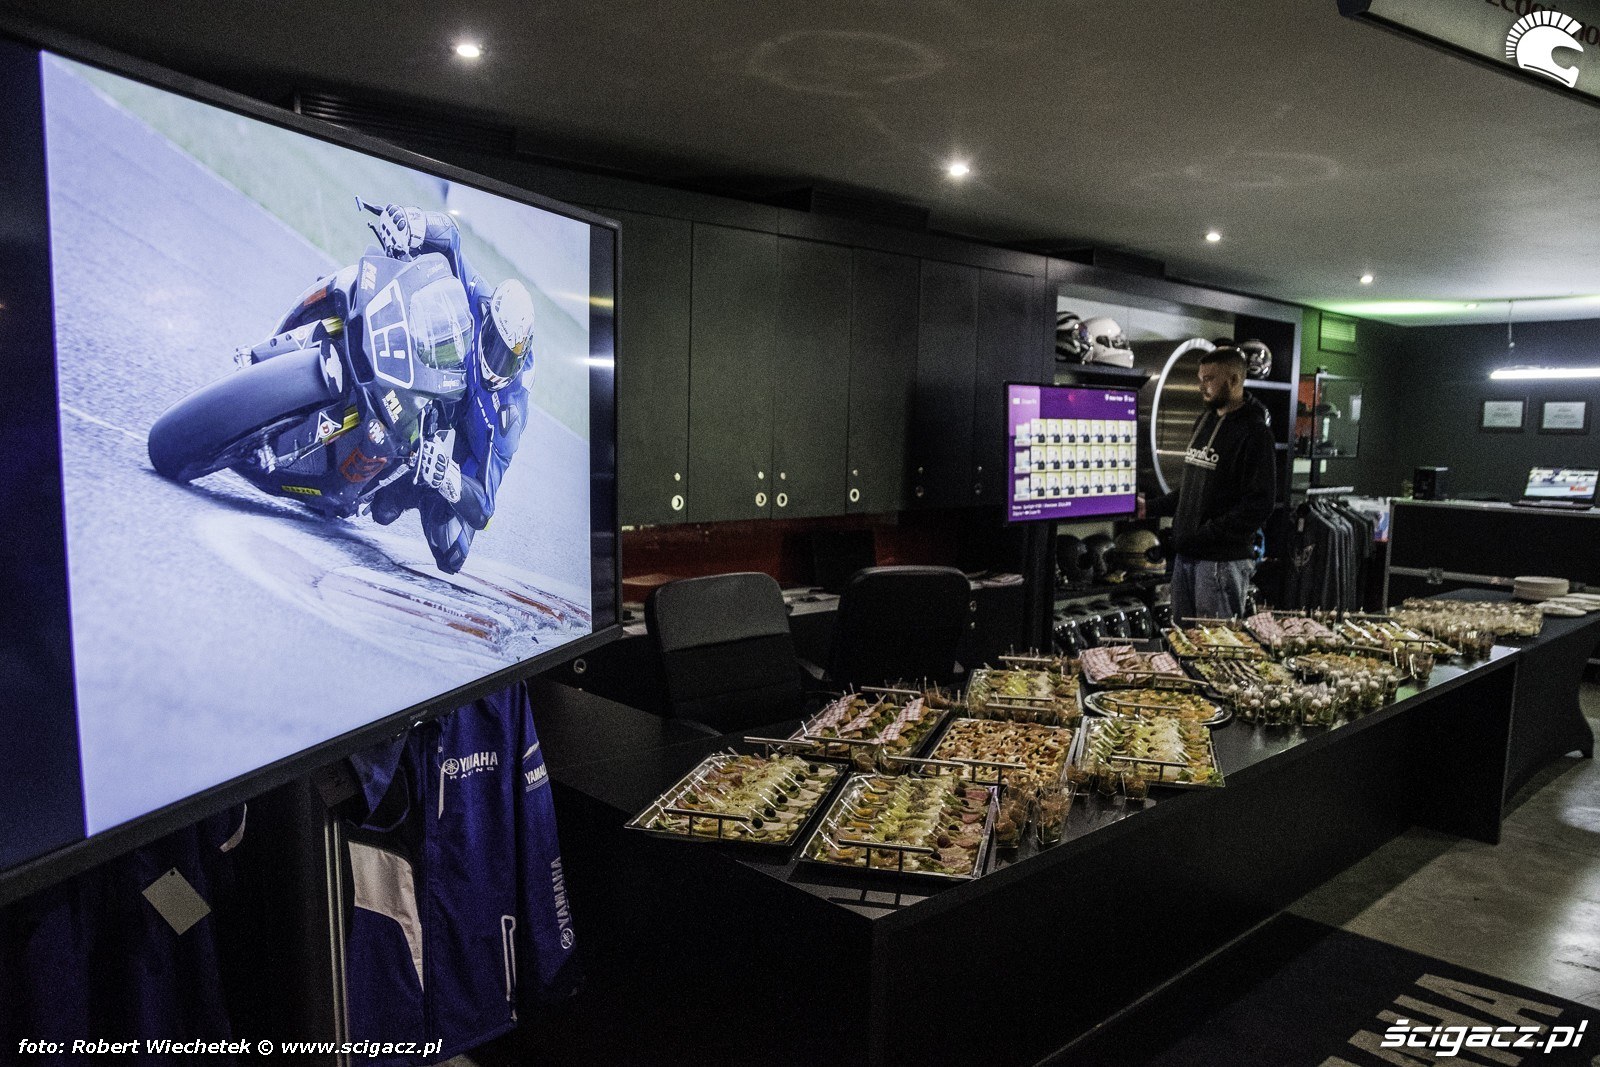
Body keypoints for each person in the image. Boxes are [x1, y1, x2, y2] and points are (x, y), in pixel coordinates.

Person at [368, 204, 537, 574]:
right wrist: (412, 222)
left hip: (459, 452)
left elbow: (485, 508)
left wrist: (448, 477)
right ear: (489, 320)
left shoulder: (508, 417)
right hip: (436, 387)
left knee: (450, 554)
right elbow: (451, 240)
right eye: (493, 345)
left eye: (507, 359)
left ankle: (416, 484)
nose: (497, 363)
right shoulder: (482, 300)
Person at [1145, 346, 1277, 623]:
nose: (1201, 386)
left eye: (1209, 379)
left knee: (1215, 644)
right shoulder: (1204, 421)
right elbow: (1193, 489)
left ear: (1233, 380)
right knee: (1183, 639)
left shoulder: (1255, 432)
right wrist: (1151, 507)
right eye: (1200, 378)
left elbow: (1260, 504)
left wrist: (1207, 533)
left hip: (1221, 562)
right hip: (1186, 556)